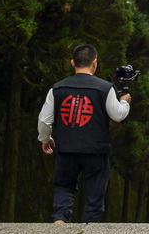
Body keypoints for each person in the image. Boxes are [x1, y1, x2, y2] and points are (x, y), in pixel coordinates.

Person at [38, 45, 131, 223]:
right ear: (94, 63)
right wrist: (125, 102)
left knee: (64, 186)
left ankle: (60, 220)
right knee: (94, 194)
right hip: (96, 150)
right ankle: (88, 231)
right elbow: (117, 115)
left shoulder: (57, 89)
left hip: (66, 148)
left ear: (72, 63)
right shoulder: (104, 88)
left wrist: (45, 139)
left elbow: (44, 120)